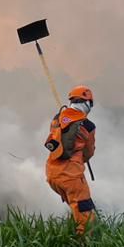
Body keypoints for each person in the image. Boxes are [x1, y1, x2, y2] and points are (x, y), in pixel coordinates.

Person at [44, 86, 97, 237]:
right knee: (85, 213)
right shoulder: (87, 125)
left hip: (52, 174)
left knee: (75, 208)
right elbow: (88, 152)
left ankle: (70, 234)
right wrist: (83, 157)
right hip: (71, 176)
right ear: (87, 103)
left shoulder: (57, 118)